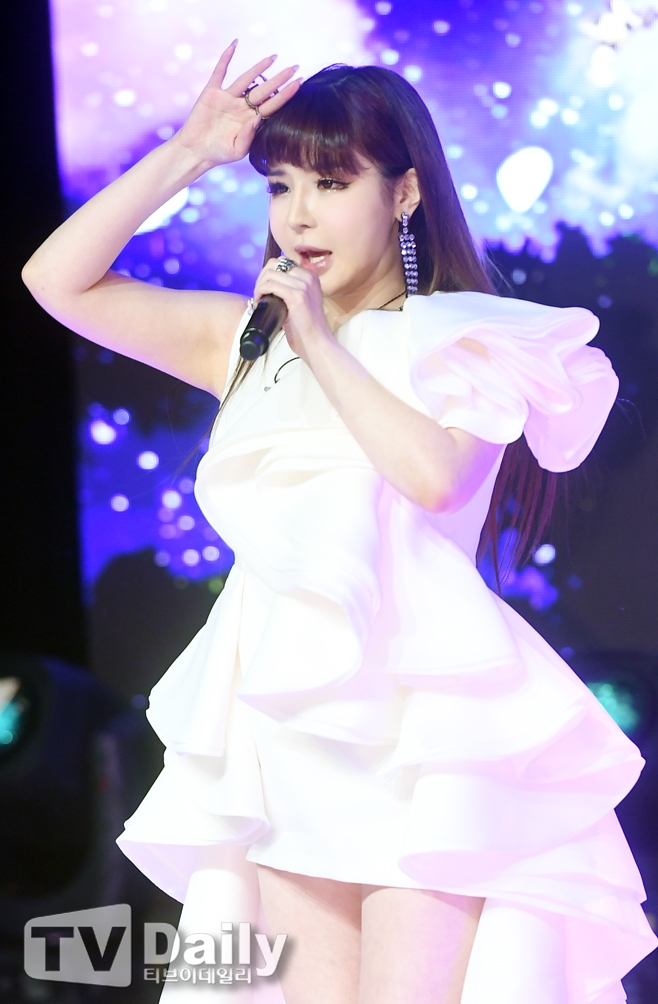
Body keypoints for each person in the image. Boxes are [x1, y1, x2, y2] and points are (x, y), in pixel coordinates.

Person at [22, 40, 658, 1004]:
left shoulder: (469, 336)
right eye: (280, 186)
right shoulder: (243, 342)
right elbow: (56, 281)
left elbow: (436, 480)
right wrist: (190, 152)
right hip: (288, 736)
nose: (300, 214)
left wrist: (320, 339)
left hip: (426, 741)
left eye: (331, 181)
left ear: (404, 193)